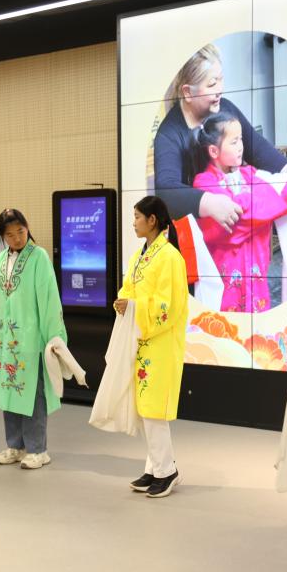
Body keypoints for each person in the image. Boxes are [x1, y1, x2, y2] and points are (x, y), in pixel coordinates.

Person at [178, 111, 287, 312]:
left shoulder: (248, 174)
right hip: (226, 279)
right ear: (214, 151)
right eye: (234, 142)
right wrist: (264, 199)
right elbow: (243, 217)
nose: (241, 146)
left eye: (241, 139)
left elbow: (279, 188)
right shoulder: (204, 185)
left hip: (256, 273)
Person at [153, 43, 287, 228]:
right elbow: (166, 190)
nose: (220, 89)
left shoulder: (226, 109)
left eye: (220, 79)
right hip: (195, 232)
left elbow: (257, 147)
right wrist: (209, 203)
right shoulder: (169, 134)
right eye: (211, 84)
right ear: (187, 92)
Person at [114, 196, 189, 498]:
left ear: (152, 220)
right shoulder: (141, 255)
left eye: (137, 217)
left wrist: (133, 306)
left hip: (161, 342)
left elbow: (168, 306)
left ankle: (167, 471)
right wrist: (124, 302)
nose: (133, 223)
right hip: (143, 340)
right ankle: (155, 467)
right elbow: (128, 288)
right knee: (146, 408)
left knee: (154, 409)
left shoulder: (170, 257)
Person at [0, 209, 68, 470]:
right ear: (3, 237)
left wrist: (53, 337)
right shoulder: (0, 260)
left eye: (20, 231)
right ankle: (15, 445)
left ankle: (37, 449)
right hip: (6, 340)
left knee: (32, 394)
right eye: (10, 235)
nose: (17, 238)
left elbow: (49, 298)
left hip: (32, 339)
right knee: (9, 391)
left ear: (27, 227)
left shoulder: (39, 257)